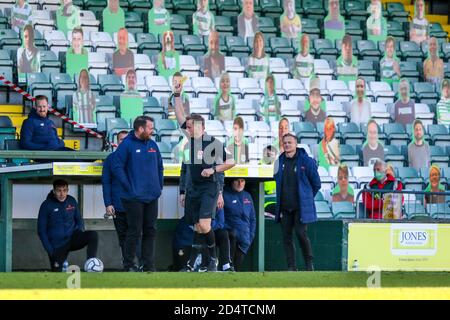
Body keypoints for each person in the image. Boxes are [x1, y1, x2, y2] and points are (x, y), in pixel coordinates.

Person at [179, 114, 235, 272]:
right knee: (197, 227)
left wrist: (213, 170)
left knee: (204, 225)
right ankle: (191, 264)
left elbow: (231, 162)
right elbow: (184, 170)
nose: (188, 129)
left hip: (209, 188)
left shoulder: (213, 143)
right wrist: (182, 191)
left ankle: (213, 258)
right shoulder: (187, 146)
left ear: (200, 127)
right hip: (192, 190)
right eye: (187, 127)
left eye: (190, 126)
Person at [112, 116, 164, 272]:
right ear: (140, 129)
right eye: (150, 128)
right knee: (134, 231)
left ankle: (149, 265)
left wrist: (158, 187)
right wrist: (129, 186)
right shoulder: (126, 145)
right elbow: (117, 167)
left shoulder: (153, 145)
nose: (152, 130)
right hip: (132, 197)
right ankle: (128, 264)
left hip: (151, 196)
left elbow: (160, 167)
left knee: (150, 230)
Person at [274, 133, 321, 271]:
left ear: (296, 144)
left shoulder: (306, 161)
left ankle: (309, 263)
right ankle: (291, 267)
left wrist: (306, 198)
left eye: (290, 142)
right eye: (285, 143)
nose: (287, 145)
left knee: (301, 234)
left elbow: (316, 184)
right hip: (284, 207)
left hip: (300, 207)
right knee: (286, 238)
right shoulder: (279, 162)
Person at [38, 179, 99, 272]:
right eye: (59, 191)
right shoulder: (46, 205)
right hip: (57, 246)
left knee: (93, 235)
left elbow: (79, 219)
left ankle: (91, 264)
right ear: (54, 191)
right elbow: (41, 231)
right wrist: (50, 251)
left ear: (67, 190)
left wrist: (79, 231)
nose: (62, 194)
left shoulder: (71, 200)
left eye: (64, 190)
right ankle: (61, 263)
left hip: (72, 239)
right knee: (57, 272)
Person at [102, 130, 142, 265]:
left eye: (126, 139)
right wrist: (108, 203)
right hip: (118, 205)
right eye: (121, 140)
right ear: (116, 142)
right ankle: (128, 265)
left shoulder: (137, 157)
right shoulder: (111, 159)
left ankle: (142, 263)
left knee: (137, 236)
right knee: (123, 237)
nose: (124, 142)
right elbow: (106, 182)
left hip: (136, 204)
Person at [223, 178, 256, 271]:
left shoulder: (247, 196)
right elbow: (221, 218)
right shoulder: (225, 195)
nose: (240, 184)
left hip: (245, 240)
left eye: (242, 181)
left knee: (237, 269)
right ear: (232, 182)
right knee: (228, 268)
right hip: (230, 239)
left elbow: (253, 218)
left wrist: (250, 236)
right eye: (237, 181)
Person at [260, 145, 277, 216]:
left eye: (271, 154)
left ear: (275, 156)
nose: (269, 156)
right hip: (264, 202)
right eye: (267, 154)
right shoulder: (258, 167)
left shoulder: (279, 167)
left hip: (278, 200)